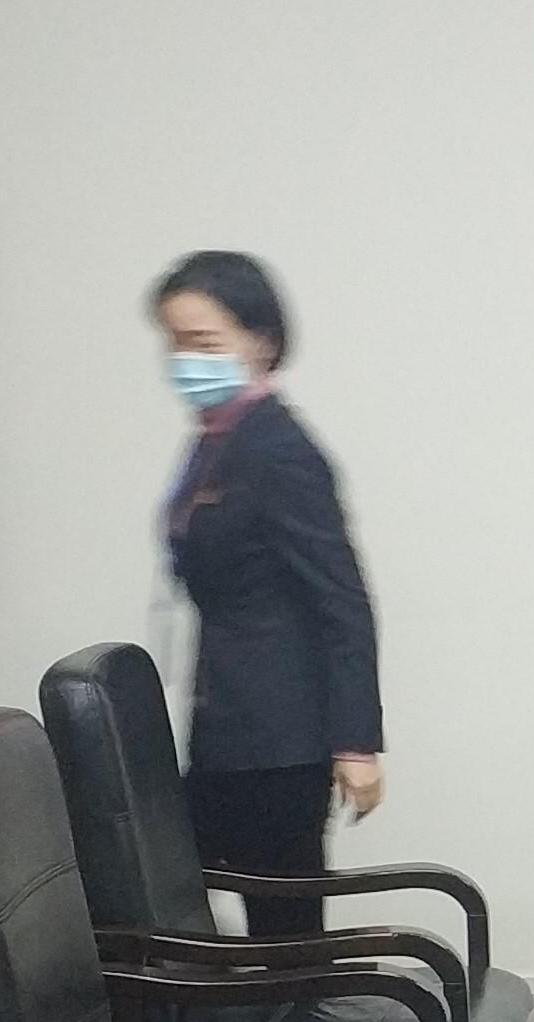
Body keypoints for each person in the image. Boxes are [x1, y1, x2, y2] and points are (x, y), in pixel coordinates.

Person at [152, 251, 383, 936]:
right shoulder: (217, 442)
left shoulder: (278, 449)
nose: (184, 360)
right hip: (228, 725)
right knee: (152, 893)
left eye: (204, 342)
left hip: (279, 741)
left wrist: (356, 744)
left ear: (261, 341)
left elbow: (341, 600)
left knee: (285, 935)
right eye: (175, 341)